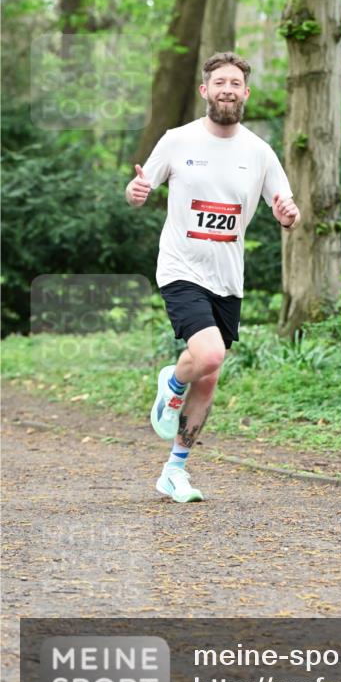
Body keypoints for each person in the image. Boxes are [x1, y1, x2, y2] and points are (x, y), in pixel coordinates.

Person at [125, 51, 300, 503]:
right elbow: (141, 186)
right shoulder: (177, 140)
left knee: (210, 374)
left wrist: (287, 213)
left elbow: (286, 206)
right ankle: (172, 381)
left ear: (245, 93)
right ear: (205, 91)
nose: (227, 89)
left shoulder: (259, 152)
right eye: (218, 82)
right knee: (208, 355)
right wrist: (136, 191)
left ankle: (174, 470)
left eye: (235, 83)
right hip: (182, 267)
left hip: (227, 276)